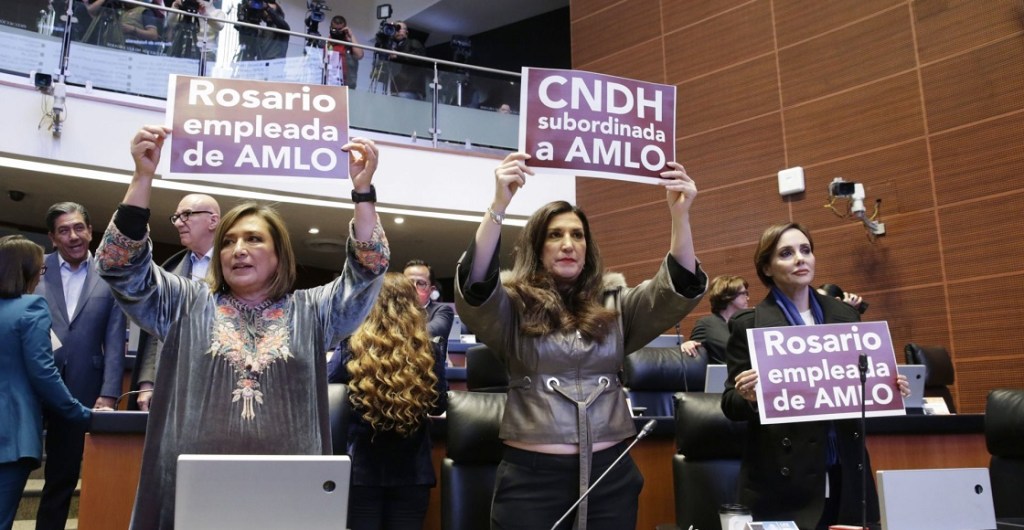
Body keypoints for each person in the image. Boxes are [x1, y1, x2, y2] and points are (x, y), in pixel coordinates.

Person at [95, 125, 389, 530]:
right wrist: (142, 178)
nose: (238, 249)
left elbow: (367, 273)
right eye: (230, 240)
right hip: (193, 499)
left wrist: (362, 193)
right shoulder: (185, 302)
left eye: (254, 239)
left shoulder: (313, 312)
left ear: (279, 253)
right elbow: (119, 265)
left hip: (289, 498)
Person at [454, 152, 706, 530]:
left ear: (588, 249)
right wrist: (499, 204)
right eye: (555, 235)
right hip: (532, 480)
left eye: (577, 235)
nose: (568, 243)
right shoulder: (512, 307)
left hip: (611, 473)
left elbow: (676, 289)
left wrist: (680, 215)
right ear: (538, 248)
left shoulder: (617, 304)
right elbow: (475, 288)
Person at [721, 222, 910, 530]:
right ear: (767, 268)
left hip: (846, 472)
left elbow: (857, 393)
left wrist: (886, 386)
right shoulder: (749, 325)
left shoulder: (846, 315)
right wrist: (750, 397)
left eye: (805, 250)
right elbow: (730, 404)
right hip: (783, 480)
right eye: (786, 253)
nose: (800, 259)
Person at [328, 273, 447, 530]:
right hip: (413, 472)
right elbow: (439, 405)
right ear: (413, 305)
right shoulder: (430, 350)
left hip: (362, 471)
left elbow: (330, 394)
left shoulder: (351, 346)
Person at [33, 201, 127, 530]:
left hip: (81, 390)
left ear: (90, 231)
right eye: (63, 230)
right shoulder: (34, 269)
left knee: (61, 478)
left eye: (78, 228)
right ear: (52, 238)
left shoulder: (110, 274)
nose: (73, 236)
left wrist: (109, 394)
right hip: (31, 389)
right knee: (13, 471)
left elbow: (116, 340)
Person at [0, 235, 92, 530]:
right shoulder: (30, 308)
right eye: (41, 270)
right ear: (26, 271)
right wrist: (82, 414)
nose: (42, 276)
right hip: (10, 434)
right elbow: (43, 372)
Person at [131, 193, 221, 411]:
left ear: (213, 220)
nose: (179, 223)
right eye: (177, 217)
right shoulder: (170, 270)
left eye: (187, 215)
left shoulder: (237, 266)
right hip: (172, 382)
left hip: (221, 380)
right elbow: (154, 331)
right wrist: (147, 382)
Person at [679, 275, 749, 364]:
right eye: (744, 293)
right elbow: (694, 347)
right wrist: (687, 344)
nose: (748, 297)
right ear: (729, 296)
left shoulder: (746, 323)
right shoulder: (707, 324)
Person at [403, 259, 454, 348]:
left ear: (431, 290)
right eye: (408, 282)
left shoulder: (442, 310)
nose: (413, 287)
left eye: (421, 283)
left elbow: (432, 332)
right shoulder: (392, 308)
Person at [387, 21, 426, 99]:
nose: (397, 31)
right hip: (396, 89)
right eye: (395, 29)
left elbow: (419, 57)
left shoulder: (413, 42)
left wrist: (398, 56)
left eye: (399, 28)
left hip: (411, 89)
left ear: (406, 32)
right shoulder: (394, 47)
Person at [326, 15, 364, 89]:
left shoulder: (349, 44)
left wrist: (351, 36)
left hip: (347, 86)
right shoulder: (326, 43)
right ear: (330, 28)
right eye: (334, 29)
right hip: (328, 84)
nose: (336, 32)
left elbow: (359, 55)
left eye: (340, 30)